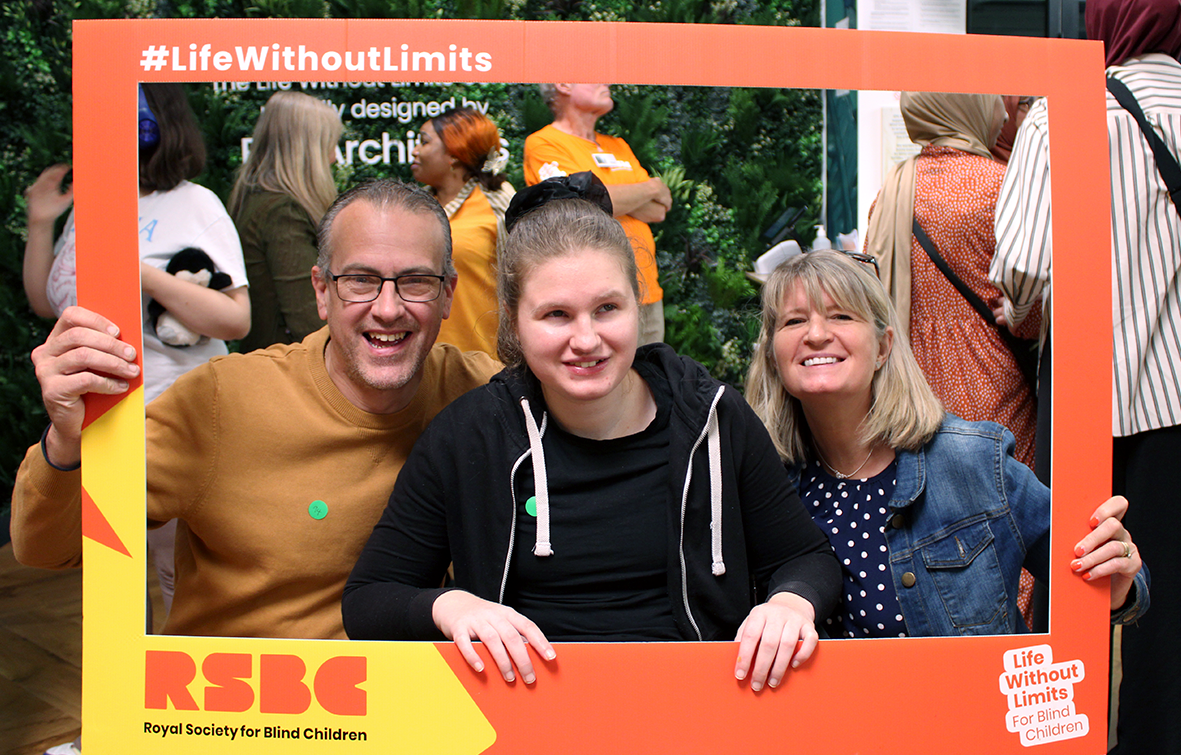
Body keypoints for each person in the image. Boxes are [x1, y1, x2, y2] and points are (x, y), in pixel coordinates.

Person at [343, 188, 840, 693]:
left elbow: (806, 558)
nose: (586, 339)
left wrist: (790, 602)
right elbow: (368, 600)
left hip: (695, 703)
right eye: (556, 315)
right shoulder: (472, 435)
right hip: (525, 713)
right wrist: (451, 606)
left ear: (636, 305)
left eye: (607, 308)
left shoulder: (711, 418)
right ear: (515, 320)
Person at [11, 180, 499, 640]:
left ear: (448, 294)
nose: (388, 308)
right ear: (321, 292)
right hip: (240, 717)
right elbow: (47, 549)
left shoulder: (484, 396)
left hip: (412, 709)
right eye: (360, 280)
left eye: (415, 282)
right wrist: (67, 442)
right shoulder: (223, 402)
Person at [745, 250, 1148, 638]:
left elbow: (1104, 579)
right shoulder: (761, 488)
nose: (816, 334)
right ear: (773, 356)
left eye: (841, 315)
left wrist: (1116, 582)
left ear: (883, 347)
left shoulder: (974, 462)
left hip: (970, 707)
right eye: (794, 321)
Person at [991, 0, 1181, 750]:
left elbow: (1025, 266)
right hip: (1175, 405)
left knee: (1077, 596)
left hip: (1092, 405)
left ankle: (1057, 737)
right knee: (1169, 620)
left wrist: (1026, 314)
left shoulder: (1064, 113)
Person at [22, 83, 251, 631]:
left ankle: (189, 707)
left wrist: (139, 272)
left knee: (179, 576)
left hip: (177, 413)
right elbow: (46, 302)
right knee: (112, 578)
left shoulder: (194, 203)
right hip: (97, 419)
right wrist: (40, 221)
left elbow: (236, 318)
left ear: (155, 124)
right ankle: (128, 705)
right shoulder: (93, 204)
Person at [865, 91, 1038, 470]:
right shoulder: (1002, 187)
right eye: (992, 103)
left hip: (915, 394)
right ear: (966, 108)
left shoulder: (890, 194)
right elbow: (1031, 313)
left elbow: (870, 291)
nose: (1004, 118)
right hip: (995, 386)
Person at [524, 83, 671, 345]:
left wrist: (605, 197)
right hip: (594, 302)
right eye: (595, 76)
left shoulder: (618, 145)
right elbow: (579, 204)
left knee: (650, 383)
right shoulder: (543, 143)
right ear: (563, 84)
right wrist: (650, 186)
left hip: (648, 294)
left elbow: (657, 209)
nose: (608, 83)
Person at [229, 90, 342, 352]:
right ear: (307, 150)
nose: (334, 157)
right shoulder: (283, 212)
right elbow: (309, 320)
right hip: (287, 370)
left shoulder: (254, 201)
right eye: (328, 145)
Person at [411, 106, 515, 356]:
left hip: (483, 366)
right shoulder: (412, 208)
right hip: (420, 366)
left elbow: (522, 283)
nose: (414, 151)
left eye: (424, 142)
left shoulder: (499, 203)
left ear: (454, 153)